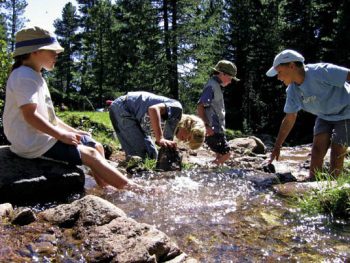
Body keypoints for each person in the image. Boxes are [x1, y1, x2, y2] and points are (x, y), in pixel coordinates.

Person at [3, 26, 143, 193]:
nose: (57, 54)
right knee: (90, 154)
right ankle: (135, 189)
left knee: (96, 146)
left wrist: (73, 131)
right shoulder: (24, 76)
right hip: (31, 141)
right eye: (52, 50)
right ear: (35, 51)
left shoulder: (35, 75)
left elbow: (50, 118)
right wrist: (61, 135)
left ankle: (106, 190)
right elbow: (30, 116)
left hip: (42, 136)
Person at [266, 49, 350, 180]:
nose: (278, 77)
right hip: (324, 116)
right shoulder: (292, 91)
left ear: (292, 66)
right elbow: (289, 118)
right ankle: (313, 182)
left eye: (279, 72)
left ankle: (334, 186)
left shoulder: (321, 71)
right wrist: (277, 147)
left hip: (347, 112)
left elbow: (348, 75)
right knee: (316, 151)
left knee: (337, 150)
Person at [109, 91, 205, 160]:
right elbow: (153, 109)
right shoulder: (177, 109)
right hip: (123, 108)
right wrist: (160, 138)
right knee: (140, 156)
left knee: (152, 157)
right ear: (189, 126)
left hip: (135, 121)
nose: (184, 141)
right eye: (188, 139)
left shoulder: (171, 131)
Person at [197, 60, 240, 165]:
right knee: (227, 154)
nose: (230, 82)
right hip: (213, 129)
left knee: (220, 155)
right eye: (230, 78)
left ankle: (215, 172)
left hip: (216, 129)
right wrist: (206, 126)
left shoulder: (216, 85)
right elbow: (200, 106)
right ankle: (210, 169)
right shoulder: (212, 86)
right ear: (222, 73)